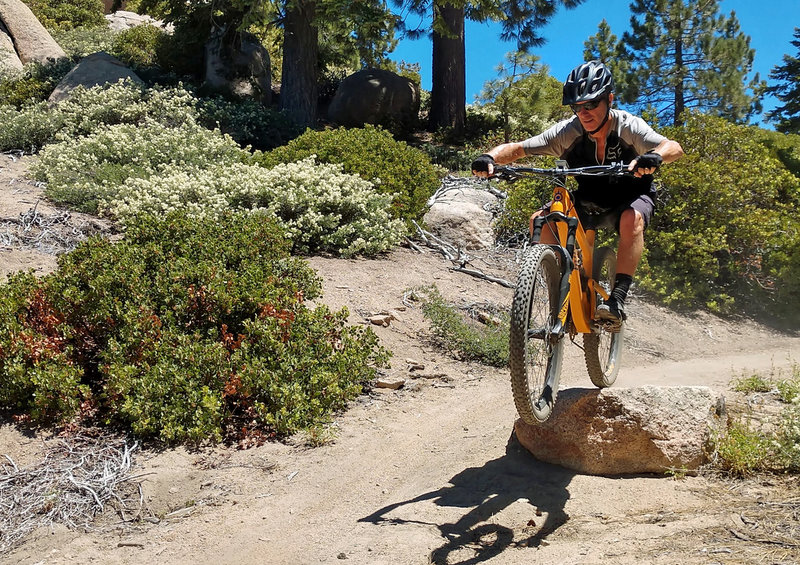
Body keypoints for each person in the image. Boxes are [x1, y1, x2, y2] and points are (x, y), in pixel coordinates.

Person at [471, 60, 684, 323]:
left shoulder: (628, 126)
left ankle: (616, 299)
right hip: (589, 198)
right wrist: (488, 157)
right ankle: (562, 290)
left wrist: (654, 157)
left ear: (609, 99)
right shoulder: (567, 132)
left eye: (591, 104)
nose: (584, 113)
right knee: (540, 220)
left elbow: (672, 146)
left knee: (632, 220)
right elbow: (518, 149)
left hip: (630, 197)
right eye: (577, 107)